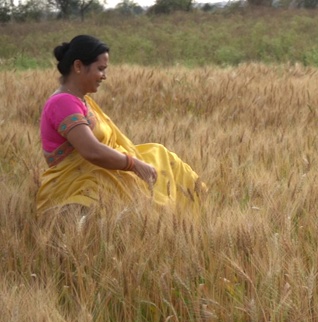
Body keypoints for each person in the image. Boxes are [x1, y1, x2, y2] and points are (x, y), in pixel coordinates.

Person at [37, 35, 206, 217]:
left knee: (160, 156)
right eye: (100, 69)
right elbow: (92, 151)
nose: (104, 76)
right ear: (78, 66)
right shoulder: (63, 103)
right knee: (152, 206)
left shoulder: (79, 100)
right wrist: (134, 164)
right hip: (77, 185)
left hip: (97, 177)